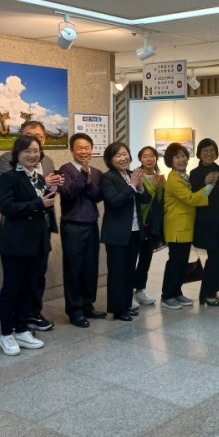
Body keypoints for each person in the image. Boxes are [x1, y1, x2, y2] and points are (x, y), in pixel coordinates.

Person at [0, 119, 64, 332]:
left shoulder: (47, 162)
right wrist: (39, 199)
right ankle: (10, 329)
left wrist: (53, 187)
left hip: (41, 229)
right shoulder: (6, 163)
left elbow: (45, 193)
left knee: (35, 278)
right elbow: (9, 202)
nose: (33, 152)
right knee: (14, 284)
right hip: (18, 232)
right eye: (29, 138)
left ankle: (29, 319)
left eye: (38, 139)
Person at [161, 142, 218, 309]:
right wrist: (209, 186)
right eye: (176, 157)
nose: (181, 160)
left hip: (184, 228)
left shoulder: (182, 176)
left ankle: (177, 292)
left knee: (181, 262)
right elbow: (191, 199)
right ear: (170, 161)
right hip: (177, 228)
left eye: (183, 156)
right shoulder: (174, 179)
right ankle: (167, 296)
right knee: (175, 263)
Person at [58, 132, 104, 328]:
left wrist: (88, 179)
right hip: (72, 226)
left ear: (92, 150)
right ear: (72, 150)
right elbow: (68, 193)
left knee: (90, 267)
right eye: (79, 148)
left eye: (87, 148)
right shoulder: (65, 170)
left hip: (91, 224)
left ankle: (87, 304)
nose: (84, 151)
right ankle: (74, 310)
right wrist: (83, 175)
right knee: (73, 268)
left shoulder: (97, 172)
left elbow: (97, 196)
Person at [100, 142, 149, 321]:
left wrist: (140, 186)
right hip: (116, 233)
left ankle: (127, 304)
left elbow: (146, 199)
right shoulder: (108, 178)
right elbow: (114, 202)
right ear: (110, 159)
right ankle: (118, 309)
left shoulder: (131, 174)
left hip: (134, 231)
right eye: (118, 155)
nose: (123, 158)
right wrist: (132, 186)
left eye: (125, 154)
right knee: (117, 272)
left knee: (129, 270)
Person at [191, 138, 219, 306]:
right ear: (199, 153)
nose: (209, 153)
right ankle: (208, 294)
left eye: (212, 150)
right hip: (207, 222)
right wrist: (205, 183)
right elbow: (196, 197)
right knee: (214, 258)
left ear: (217, 153)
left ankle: (211, 291)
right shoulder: (195, 173)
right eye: (205, 150)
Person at [134, 146, 163, 306]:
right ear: (140, 159)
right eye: (145, 156)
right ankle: (128, 291)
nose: (149, 159)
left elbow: (160, 202)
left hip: (152, 224)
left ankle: (140, 290)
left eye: (151, 156)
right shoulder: (136, 175)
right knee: (132, 258)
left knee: (146, 258)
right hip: (138, 223)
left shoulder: (160, 178)